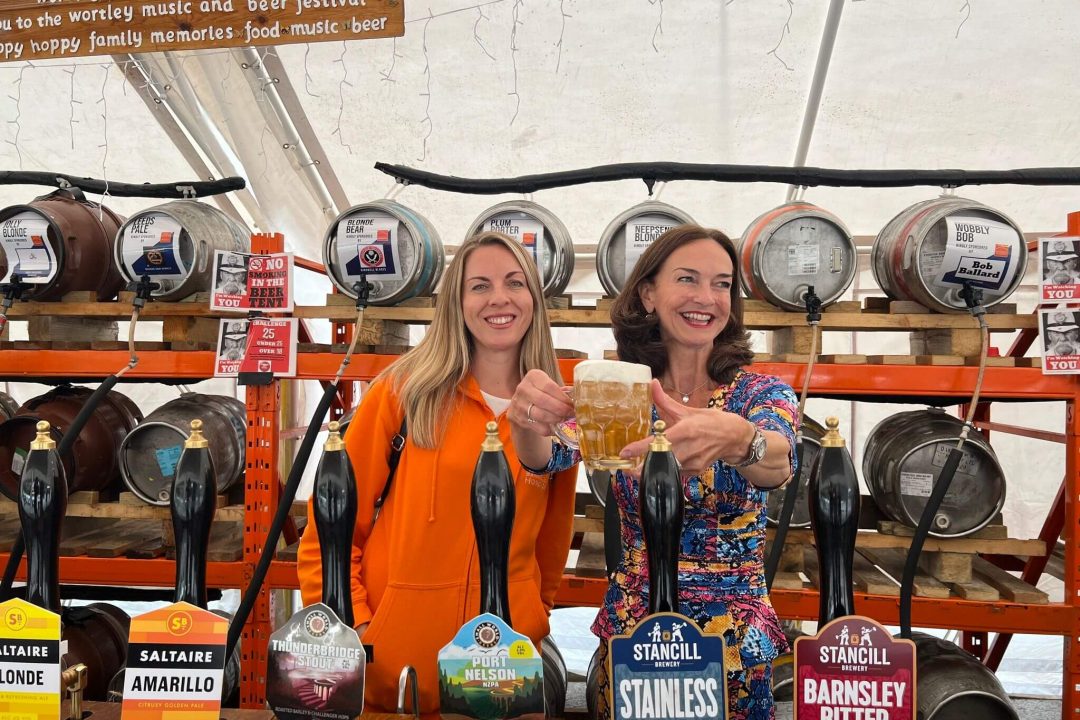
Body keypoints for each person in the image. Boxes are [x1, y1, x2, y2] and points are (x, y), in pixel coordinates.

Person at [519, 224, 798, 720]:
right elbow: (544, 455)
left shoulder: (758, 395)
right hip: (635, 634)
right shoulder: (621, 390)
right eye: (687, 279)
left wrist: (739, 439)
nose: (706, 298)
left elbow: (779, 460)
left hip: (730, 640)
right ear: (648, 293)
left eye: (721, 284)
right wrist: (527, 415)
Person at [296, 231, 578, 713]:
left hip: (501, 670)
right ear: (456, 301)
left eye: (515, 283)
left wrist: (534, 616)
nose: (499, 299)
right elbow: (332, 528)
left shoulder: (556, 407)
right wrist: (357, 628)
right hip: (395, 670)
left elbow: (553, 539)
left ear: (534, 297)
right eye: (479, 286)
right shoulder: (403, 393)